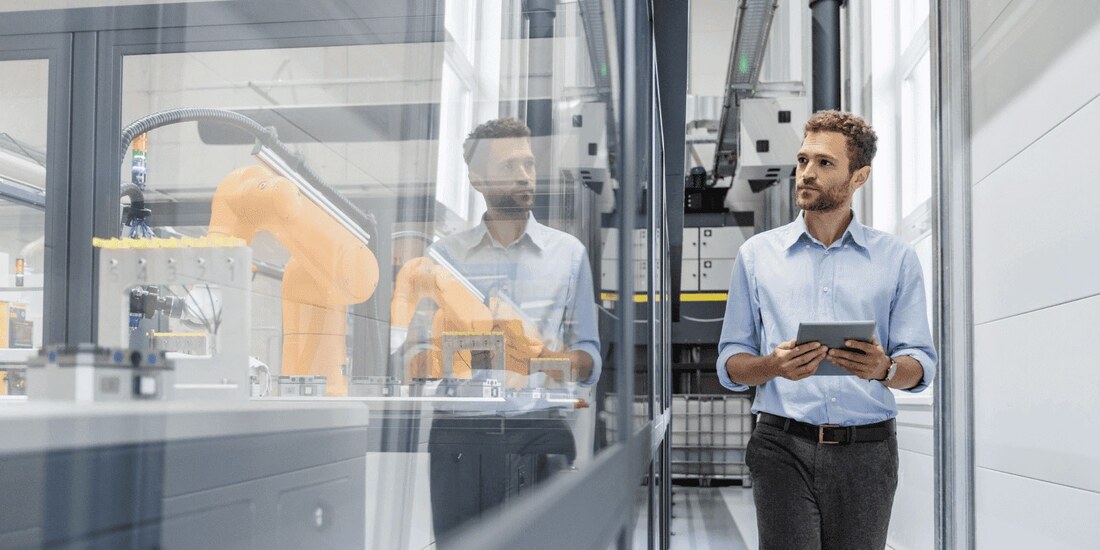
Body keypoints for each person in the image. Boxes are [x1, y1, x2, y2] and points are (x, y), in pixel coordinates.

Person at [716, 110, 937, 550]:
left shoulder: (896, 259)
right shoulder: (757, 256)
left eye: (824, 163)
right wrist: (772, 366)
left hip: (868, 454)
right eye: (803, 160)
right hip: (781, 445)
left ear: (859, 177)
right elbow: (730, 365)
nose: (806, 173)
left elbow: (922, 365)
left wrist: (884, 368)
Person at [401, 117, 601, 545]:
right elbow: (414, 357)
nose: (525, 175)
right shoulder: (443, 257)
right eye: (510, 165)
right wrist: (449, 354)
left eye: (528, 163)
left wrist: (539, 359)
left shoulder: (568, 256)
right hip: (460, 437)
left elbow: (589, 360)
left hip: (540, 428)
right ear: (476, 178)